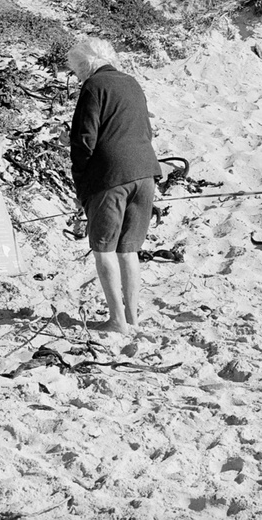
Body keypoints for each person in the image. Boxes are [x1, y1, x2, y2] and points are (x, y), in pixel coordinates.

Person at [66, 38, 161, 335]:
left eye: (76, 69)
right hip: (145, 172)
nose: (77, 75)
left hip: (110, 176)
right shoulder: (132, 83)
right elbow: (146, 129)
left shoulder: (93, 87)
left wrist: (81, 182)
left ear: (84, 65)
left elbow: (84, 140)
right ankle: (132, 318)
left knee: (104, 249)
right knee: (128, 250)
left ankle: (117, 321)